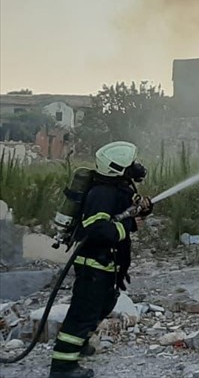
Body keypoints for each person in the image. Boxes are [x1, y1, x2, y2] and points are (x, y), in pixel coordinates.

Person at [49, 142, 152, 378]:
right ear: (118, 168)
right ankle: (62, 367)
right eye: (131, 164)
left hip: (107, 264)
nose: (136, 167)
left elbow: (125, 211)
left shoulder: (118, 187)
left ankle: (79, 343)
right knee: (83, 312)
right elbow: (96, 230)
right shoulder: (102, 193)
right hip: (93, 264)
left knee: (104, 304)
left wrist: (143, 210)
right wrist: (129, 226)